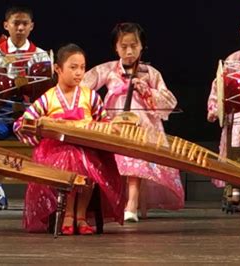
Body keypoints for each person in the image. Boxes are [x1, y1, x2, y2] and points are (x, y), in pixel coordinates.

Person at [14, 43, 126, 235]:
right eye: (73, 67)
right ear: (58, 69)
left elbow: (104, 122)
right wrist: (41, 123)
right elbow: (20, 124)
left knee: (84, 159)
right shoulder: (48, 98)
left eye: (82, 67)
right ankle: (67, 214)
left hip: (86, 151)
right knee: (71, 158)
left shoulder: (90, 97)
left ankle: (80, 215)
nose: (79, 73)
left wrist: (111, 126)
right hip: (54, 153)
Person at [81, 22, 184, 222]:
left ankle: (132, 204)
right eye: (124, 46)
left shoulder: (150, 73)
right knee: (117, 164)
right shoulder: (108, 69)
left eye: (134, 46)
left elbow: (169, 101)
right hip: (115, 123)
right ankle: (117, 205)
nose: (129, 51)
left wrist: (146, 90)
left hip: (143, 126)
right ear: (116, 48)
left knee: (135, 162)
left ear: (141, 46)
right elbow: (83, 87)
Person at [0, 5, 52, 209]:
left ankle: (41, 191)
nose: (20, 28)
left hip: (30, 112)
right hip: (2, 112)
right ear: (6, 25)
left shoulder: (41, 56)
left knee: (49, 139)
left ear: (31, 26)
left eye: (24, 24)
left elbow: (45, 93)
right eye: (15, 23)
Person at [207, 10, 240, 210]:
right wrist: (215, 108)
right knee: (238, 121)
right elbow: (219, 85)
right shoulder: (233, 59)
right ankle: (235, 184)